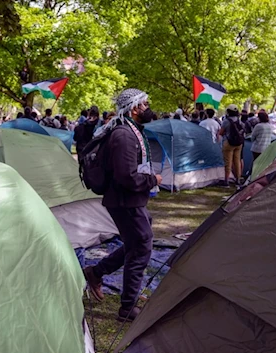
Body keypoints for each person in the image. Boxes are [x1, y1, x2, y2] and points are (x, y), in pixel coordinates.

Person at [83, 88, 162, 322]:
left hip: (129, 200)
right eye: (145, 104)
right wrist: (153, 180)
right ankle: (128, 307)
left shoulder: (130, 131)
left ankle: (96, 272)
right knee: (141, 247)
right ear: (135, 108)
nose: (149, 108)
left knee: (137, 242)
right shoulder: (125, 136)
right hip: (124, 201)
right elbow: (126, 176)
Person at [219, 104, 245, 186]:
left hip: (229, 143)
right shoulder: (239, 121)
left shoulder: (226, 121)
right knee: (237, 161)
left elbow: (221, 132)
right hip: (239, 143)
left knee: (228, 162)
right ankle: (238, 179)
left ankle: (226, 180)